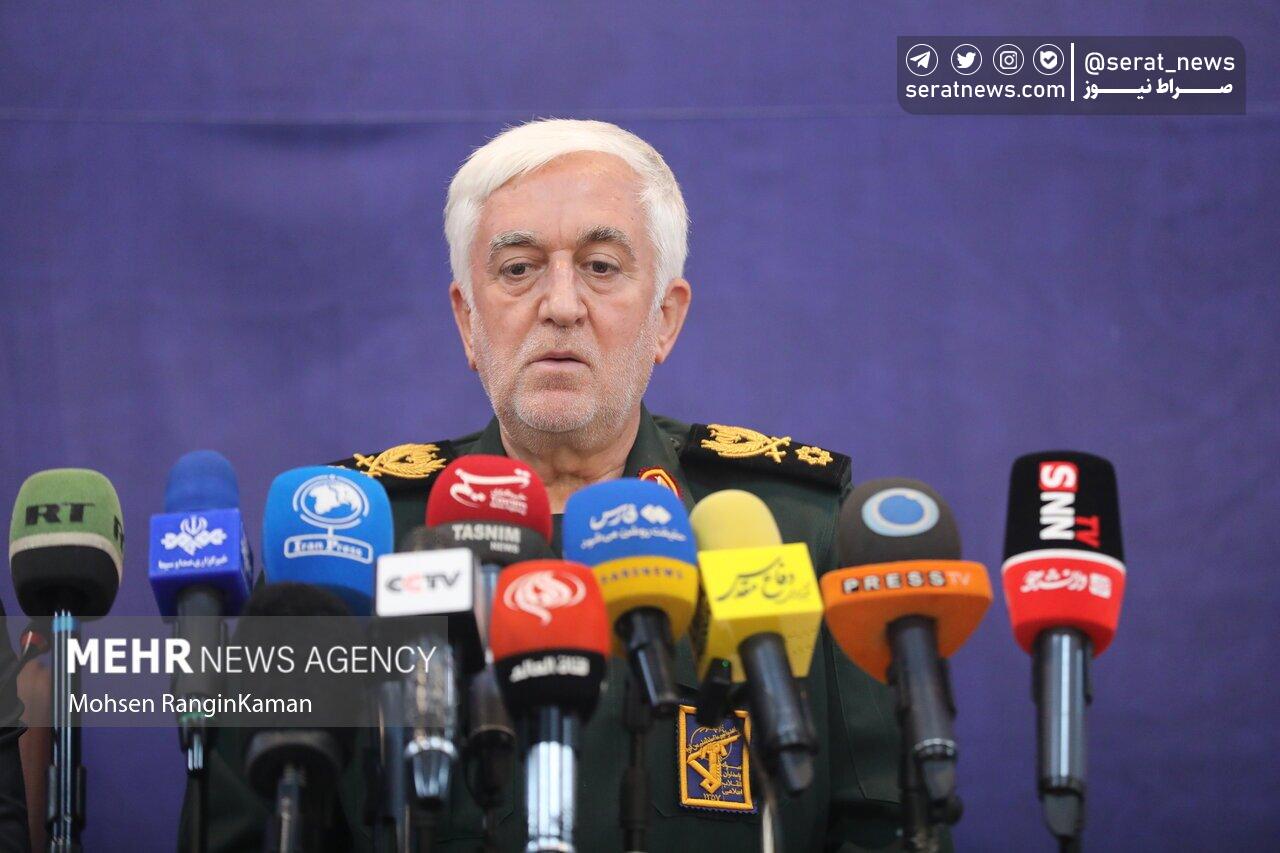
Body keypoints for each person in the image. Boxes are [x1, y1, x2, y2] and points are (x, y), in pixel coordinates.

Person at [184, 119, 911, 851]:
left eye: (601, 266)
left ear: (665, 319)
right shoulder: (343, 545)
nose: (561, 305)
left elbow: (883, 829)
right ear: (468, 321)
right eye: (518, 268)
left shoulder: (796, 533)